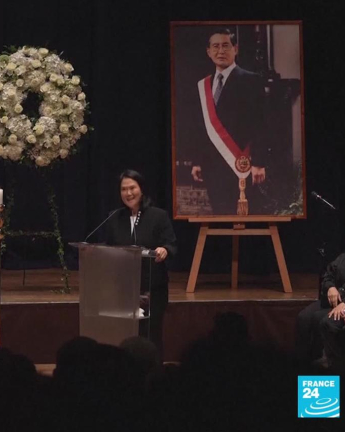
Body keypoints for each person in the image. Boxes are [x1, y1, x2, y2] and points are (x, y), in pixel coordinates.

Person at [182, 28, 270, 215]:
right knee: (220, 217)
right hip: (212, 166)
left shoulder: (251, 80)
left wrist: (259, 163)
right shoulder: (203, 85)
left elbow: (261, 125)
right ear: (208, 52)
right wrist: (197, 161)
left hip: (242, 165)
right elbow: (199, 127)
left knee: (246, 220)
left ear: (235, 49)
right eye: (215, 46)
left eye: (225, 46)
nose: (220, 51)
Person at [104, 170, 177, 353]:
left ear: (141, 189)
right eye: (124, 189)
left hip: (152, 287)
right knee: (124, 335)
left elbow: (171, 244)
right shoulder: (114, 217)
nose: (128, 193)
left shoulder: (158, 216)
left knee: (151, 336)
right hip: (123, 287)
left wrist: (164, 250)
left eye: (132, 188)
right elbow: (108, 248)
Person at [296, 253, 345, 368]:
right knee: (303, 317)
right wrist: (330, 287)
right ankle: (303, 364)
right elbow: (327, 276)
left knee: (320, 318)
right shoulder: (342, 258)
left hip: (342, 303)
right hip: (331, 301)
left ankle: (329, 362)